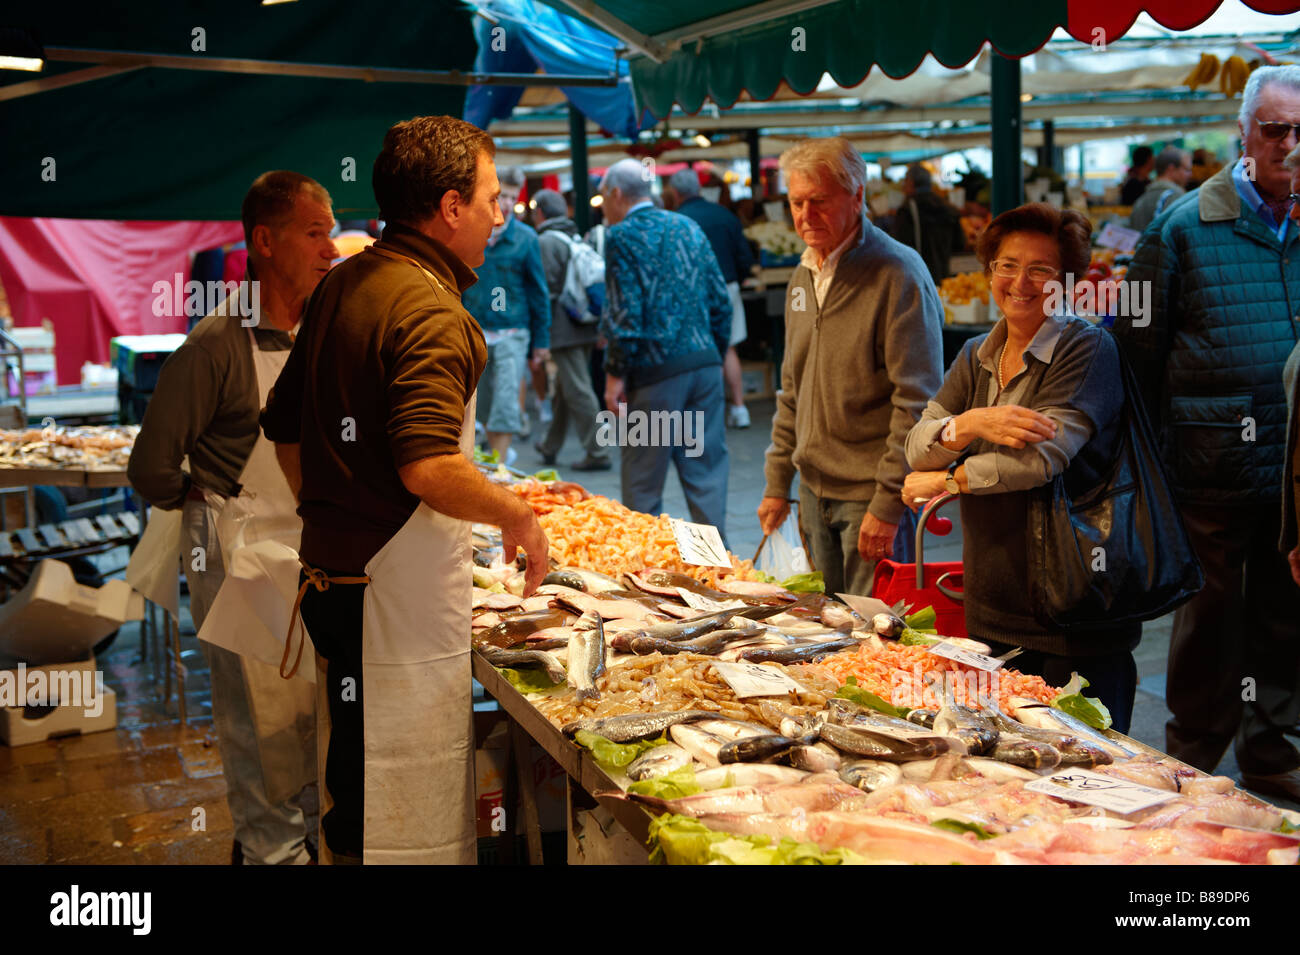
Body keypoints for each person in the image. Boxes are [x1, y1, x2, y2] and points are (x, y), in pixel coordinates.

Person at [260, 115, 549, 863]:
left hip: (333, 583)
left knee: (353, 785)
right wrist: (518, 514)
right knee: (393, 804)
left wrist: (328, 512)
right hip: (388, 605)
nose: (499, 214)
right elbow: (427, 464)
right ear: (450, 207)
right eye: (489, 197)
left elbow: (284, 426)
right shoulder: (428, 307)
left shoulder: (346, 280)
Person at [128, 170, 337, 865]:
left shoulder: (320, 331)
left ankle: (308, 836)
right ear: (265, 242)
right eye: (315, 232)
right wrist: (197, 492)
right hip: (239, 556)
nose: (330, 248)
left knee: (311, 715)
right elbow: (151, 467)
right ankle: (266, 849)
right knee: (256, 720)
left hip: (311, 552)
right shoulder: (213, 345)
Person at [1112, 65, 1300, 797]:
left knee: (1285, 619)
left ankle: (1271, 747)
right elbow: (1135, 350)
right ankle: (1191, 751)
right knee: (1209, 620)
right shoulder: (1183, 225)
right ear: (1244, 135)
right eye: (1275, 128)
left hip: (1292, 471)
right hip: (1210, 466)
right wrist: (1154, 465)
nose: (1289, 143)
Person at [903, 203, 1141, 730]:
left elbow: (1039, 460)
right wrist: (970, 425)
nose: (1021, 282)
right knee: (1009, 764)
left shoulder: (1087, 350)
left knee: (1088, 769)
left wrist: (949, 478)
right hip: (993, 601)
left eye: (1041, 270)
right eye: (1007, 265)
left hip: (1073, 607)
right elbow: (917, 446)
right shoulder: (975, 355)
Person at [758, 138, 944, 597]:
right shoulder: (802, 277)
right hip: (813, 493)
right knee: (821, 635)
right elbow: (791, 390)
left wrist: (886, 503)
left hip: (869, 497)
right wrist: (777, 483)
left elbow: (917, 402)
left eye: (819, 201)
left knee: (876, 637)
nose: (805, 215)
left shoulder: (897, 273)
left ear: (857, 196)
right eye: (796, 203)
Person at [599, 158, 732, 537]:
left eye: (603, 197)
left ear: (617, 194)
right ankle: (716, 572)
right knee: (705, 477)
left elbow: (625, 316)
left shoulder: (621, 236)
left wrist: (614, 376)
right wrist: (713, 356)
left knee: (643, 483)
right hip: (703, 366)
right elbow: (720, 302)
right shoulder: (688, 226)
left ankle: (641, 576)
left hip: (656, 375)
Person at [461, 165, 550, 465]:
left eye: (513, 196)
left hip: (513, 331)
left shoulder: (526, 239)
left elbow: (539, 293)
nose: (508, 203)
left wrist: (541, 342)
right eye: (503, 195)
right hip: (475, 331)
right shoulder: (471, 234)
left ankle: (498, 468)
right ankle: (489, 465)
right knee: (480, 405)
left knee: (505, 403)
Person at [665, 168, 758, 429]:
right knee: (729, 347)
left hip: (693, 291)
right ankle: (740, 407)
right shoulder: (725, 215)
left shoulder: (676, 221)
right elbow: (745, 259)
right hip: (728, 286)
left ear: (675, 192)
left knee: (703, 351)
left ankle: (710, 412)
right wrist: (736, 281)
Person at [531, 188, 609, 471]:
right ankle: (551, 446)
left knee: (578, 389)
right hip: (583, 322)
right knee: (565, 389)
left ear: (540, 213)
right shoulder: (573, 236)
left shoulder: (546, 242)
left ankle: (598, 451)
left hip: (563, 327)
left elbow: (546, 288)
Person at [890, 163, 966, 284]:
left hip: (919, 278)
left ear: (911, 183)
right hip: (945, 275)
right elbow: (960, 243)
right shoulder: (949, 208)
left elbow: (899, 247)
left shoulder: (908, 209)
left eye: (905, 182)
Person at [1128, 147, 1191, 233]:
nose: (1190, 174)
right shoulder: (1176, 196)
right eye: (1187, 170)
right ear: (1171, 169)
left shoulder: (1142, 198)